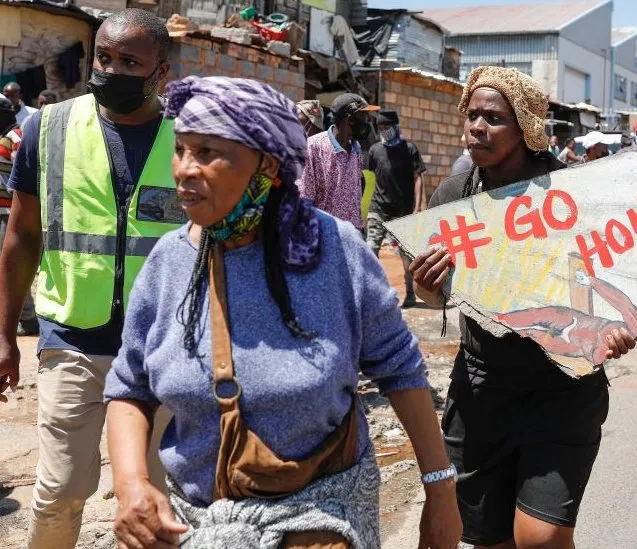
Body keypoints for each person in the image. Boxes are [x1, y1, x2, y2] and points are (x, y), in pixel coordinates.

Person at [102, 75, 462, 549]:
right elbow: (130, 387)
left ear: (266, 164)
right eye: (181, 149)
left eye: (208, 152)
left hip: (324, 516)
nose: (185, 169)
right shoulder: (169, 263)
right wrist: (131, 485)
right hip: (196, 527)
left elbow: (401, 369)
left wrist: (441, 490)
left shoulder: (336, 251)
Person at [409, 66, 636, 548]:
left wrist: (616, 327)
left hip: (562, 388)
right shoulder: (455, 194)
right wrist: (428, 287)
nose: (476, 126)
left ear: (527, 128)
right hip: (481, 391)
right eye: (471, 115)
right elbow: (439, 295)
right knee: (489, 540)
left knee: (541, 537)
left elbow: (614, 277)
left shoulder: (567, 195)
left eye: (493, 118)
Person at [0, 10, 185, 549]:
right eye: (104, 57)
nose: (111, 69)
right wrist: (5, 332)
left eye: (130, 61)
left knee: (156, 499)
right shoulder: (48, 128)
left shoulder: (189, 139)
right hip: (73, 340)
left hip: (163, 350)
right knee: (59, 491)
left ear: (161, 73)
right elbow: (22, 236)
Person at [365, 110, 426, 308]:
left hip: (403, 212)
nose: (383, 131)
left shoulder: (409, 149)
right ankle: (370, 295)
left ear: (395, 127)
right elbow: (370, 178)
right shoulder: (375, 150)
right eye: (380, 128)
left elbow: (418, 179)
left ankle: (410, 294)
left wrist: (417, 207)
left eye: (386, 127)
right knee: (369, 250)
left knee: (406, 256)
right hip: (378, 209)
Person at [297, 93, 378, 231]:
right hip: (325, 237)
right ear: (350, 119)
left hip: (352, 235)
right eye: (364, 116)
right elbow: (305, 201)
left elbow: (355, 193)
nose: (368, 121)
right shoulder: (314, 148)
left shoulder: (356, 148)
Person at [0, 97, 38, 336]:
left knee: (13, 265)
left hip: (10, 212)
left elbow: (21, 178)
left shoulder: (16, 137)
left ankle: (28, 317)